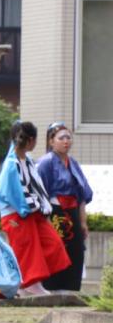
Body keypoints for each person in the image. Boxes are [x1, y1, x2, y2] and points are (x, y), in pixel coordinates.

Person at [0, 120, 69, 295]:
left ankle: (29, 284)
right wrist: (33, 206)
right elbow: (6, 193)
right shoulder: (12, 165)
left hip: (32, 212)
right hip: (17, 214)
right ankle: (29, 285)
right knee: (28, 250)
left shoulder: (25, 161)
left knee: (52, 244)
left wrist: (38, 208)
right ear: (31, 140)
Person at [37, 122, 92, 291]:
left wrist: (83, 221)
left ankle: (72, 288)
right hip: (54, 212)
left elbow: (82, 194)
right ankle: (52, 287)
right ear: (51, 141)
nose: (66, 141)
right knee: (56, 249)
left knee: (76, 250)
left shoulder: (73, 163)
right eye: (61, 138)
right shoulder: (45, 163)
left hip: (73, 212)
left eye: (68, 137)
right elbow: (39, 194)